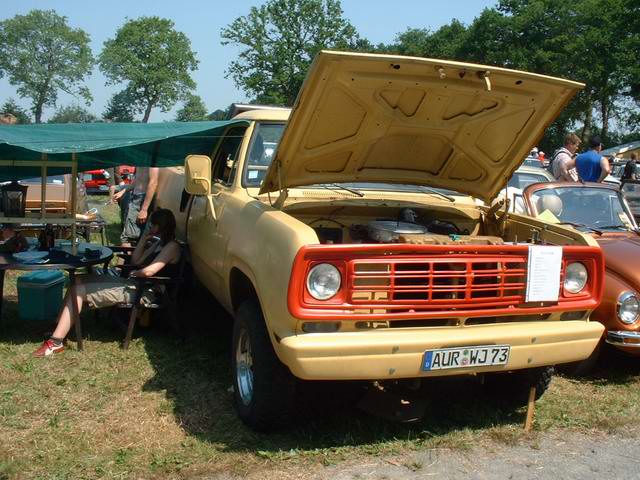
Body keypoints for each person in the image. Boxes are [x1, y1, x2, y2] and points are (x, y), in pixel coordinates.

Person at [32, 208, 180, 357]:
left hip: (146, 291)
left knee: (78, 290)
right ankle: (58, 326)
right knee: (76, 280)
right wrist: (144, 239)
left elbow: (149, 272)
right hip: (135, 284)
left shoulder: (172, 246)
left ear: (162, 226)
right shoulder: (159, 243)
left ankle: (55, 342)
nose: (150, 227)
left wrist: (135, 273)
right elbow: (136, 261)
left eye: (153, 225)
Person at [113, 166, 159, 246]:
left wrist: (144, 209)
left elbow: (153, 183)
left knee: (128, 238)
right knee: (132, 237)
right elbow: (138, 179)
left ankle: (127, 258)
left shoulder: (151, 157)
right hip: (136, 198)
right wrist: (123, 191)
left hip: (141, 200)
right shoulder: (143, 157)